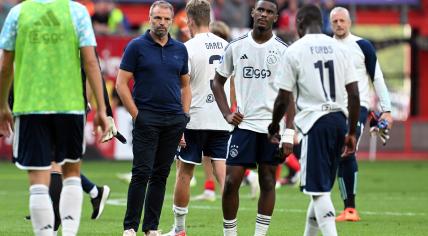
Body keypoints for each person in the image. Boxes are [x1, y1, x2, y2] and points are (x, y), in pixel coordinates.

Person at [0, 0, 109, 235]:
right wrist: (101, 108)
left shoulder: (18, 13)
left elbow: (5, 66)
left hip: (30, 105)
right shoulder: (77, 11)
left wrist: (1, 106)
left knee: (38, 179)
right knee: (71, 173)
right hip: (69, 104)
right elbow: (91, 62)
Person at [268, 4, 360, 236]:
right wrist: (351, 132)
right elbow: (355, 94)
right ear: (323, 23)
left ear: (299, 24)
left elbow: (283, 97)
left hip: (315, 124)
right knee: (320, 190)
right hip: (340, 121)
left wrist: (273, 125)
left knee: (318, 192)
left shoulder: (295, 50)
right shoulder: (340, 48)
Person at [212, 1, 292, 235]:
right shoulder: (236, 47)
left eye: (269, 12)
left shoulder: (283, 51)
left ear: (275, 17)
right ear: (252, 13)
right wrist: (227, 112)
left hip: (272, 128)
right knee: (230, 182)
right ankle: (230, 233)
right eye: (260, 10)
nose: (264, 15)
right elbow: (217, 82)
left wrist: (289, 133)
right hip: (244, 126)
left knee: (268, 182)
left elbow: (291, 96)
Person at [115, 1, 191, 236]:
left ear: (171, 21)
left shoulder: (180, 49)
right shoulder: (136, 46)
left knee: (160, 175)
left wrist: (184, 117)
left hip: (173, 120)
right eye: (158, 18)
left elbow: (186, 86)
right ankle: (130, 227)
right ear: (150, 18)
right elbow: (120, 83)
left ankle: (151, 228)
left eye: (167, 19)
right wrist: (137, 115)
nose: (162, 23)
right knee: (141, 172)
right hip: (146, 117)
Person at [164, 1, 230, 235]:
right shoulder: (226, 46)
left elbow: (182, 89)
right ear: (209, 20)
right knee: (224, 174)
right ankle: (230, 230)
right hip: (222, 118)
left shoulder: (187, 48)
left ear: (190, 21)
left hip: (195, 119)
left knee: (185, 172)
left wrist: (179, 123)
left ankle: (179, 229)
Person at [330, 6, 393, 222]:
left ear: (349, 22)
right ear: (331, 24)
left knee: (346, 150)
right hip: (331, 108)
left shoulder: (362, 46)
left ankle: (350, 209)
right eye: (335, 21)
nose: (339, 24)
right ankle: (339, 208)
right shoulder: (325, 47)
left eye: (342, 20)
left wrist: (388, 110)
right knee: (335, 154)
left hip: (358, 107)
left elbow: (377, 77)